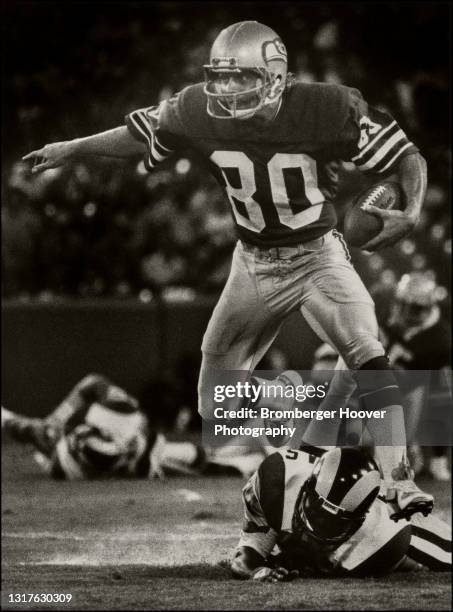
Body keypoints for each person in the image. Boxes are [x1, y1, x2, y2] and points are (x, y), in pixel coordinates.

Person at [22, 21, 430, 519]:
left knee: (367, 348)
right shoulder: (196, 109)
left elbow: (405, 153)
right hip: (253, 264)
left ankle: (399, 478)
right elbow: (138, 133)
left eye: (242, 78)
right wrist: (72, 148)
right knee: (216, 407)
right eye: (222, 77)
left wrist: (409, 211)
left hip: (318, 254)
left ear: (276, 77)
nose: (228, 89)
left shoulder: (326, 107)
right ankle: (290, 398)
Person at [230, 447, 451, 581]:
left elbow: (313, 565)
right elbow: (246, 554)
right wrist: (257, 571)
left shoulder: (382, 534)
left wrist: (293, 561)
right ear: (307, 488)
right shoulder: (278, 479)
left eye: (331, 524)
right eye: (317, 513)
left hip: (387, 525)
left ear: (358, 520)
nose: (318, 527)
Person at [1, 373, 206, 480]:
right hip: (77, 451)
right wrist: (56, 421)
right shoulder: (126, 414)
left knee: (32, 433)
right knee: (28, 430)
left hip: (80, 462)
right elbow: (94, 383)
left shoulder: (137, 435)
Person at [384, 271, 451, 481]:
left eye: (413, 308)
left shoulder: (440, 338)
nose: (405, 312)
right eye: (402, 304)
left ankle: (437, 458)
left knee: (444, 387)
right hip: (387, 386)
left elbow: (423, 379)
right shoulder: (385, 316)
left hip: (418, 394)